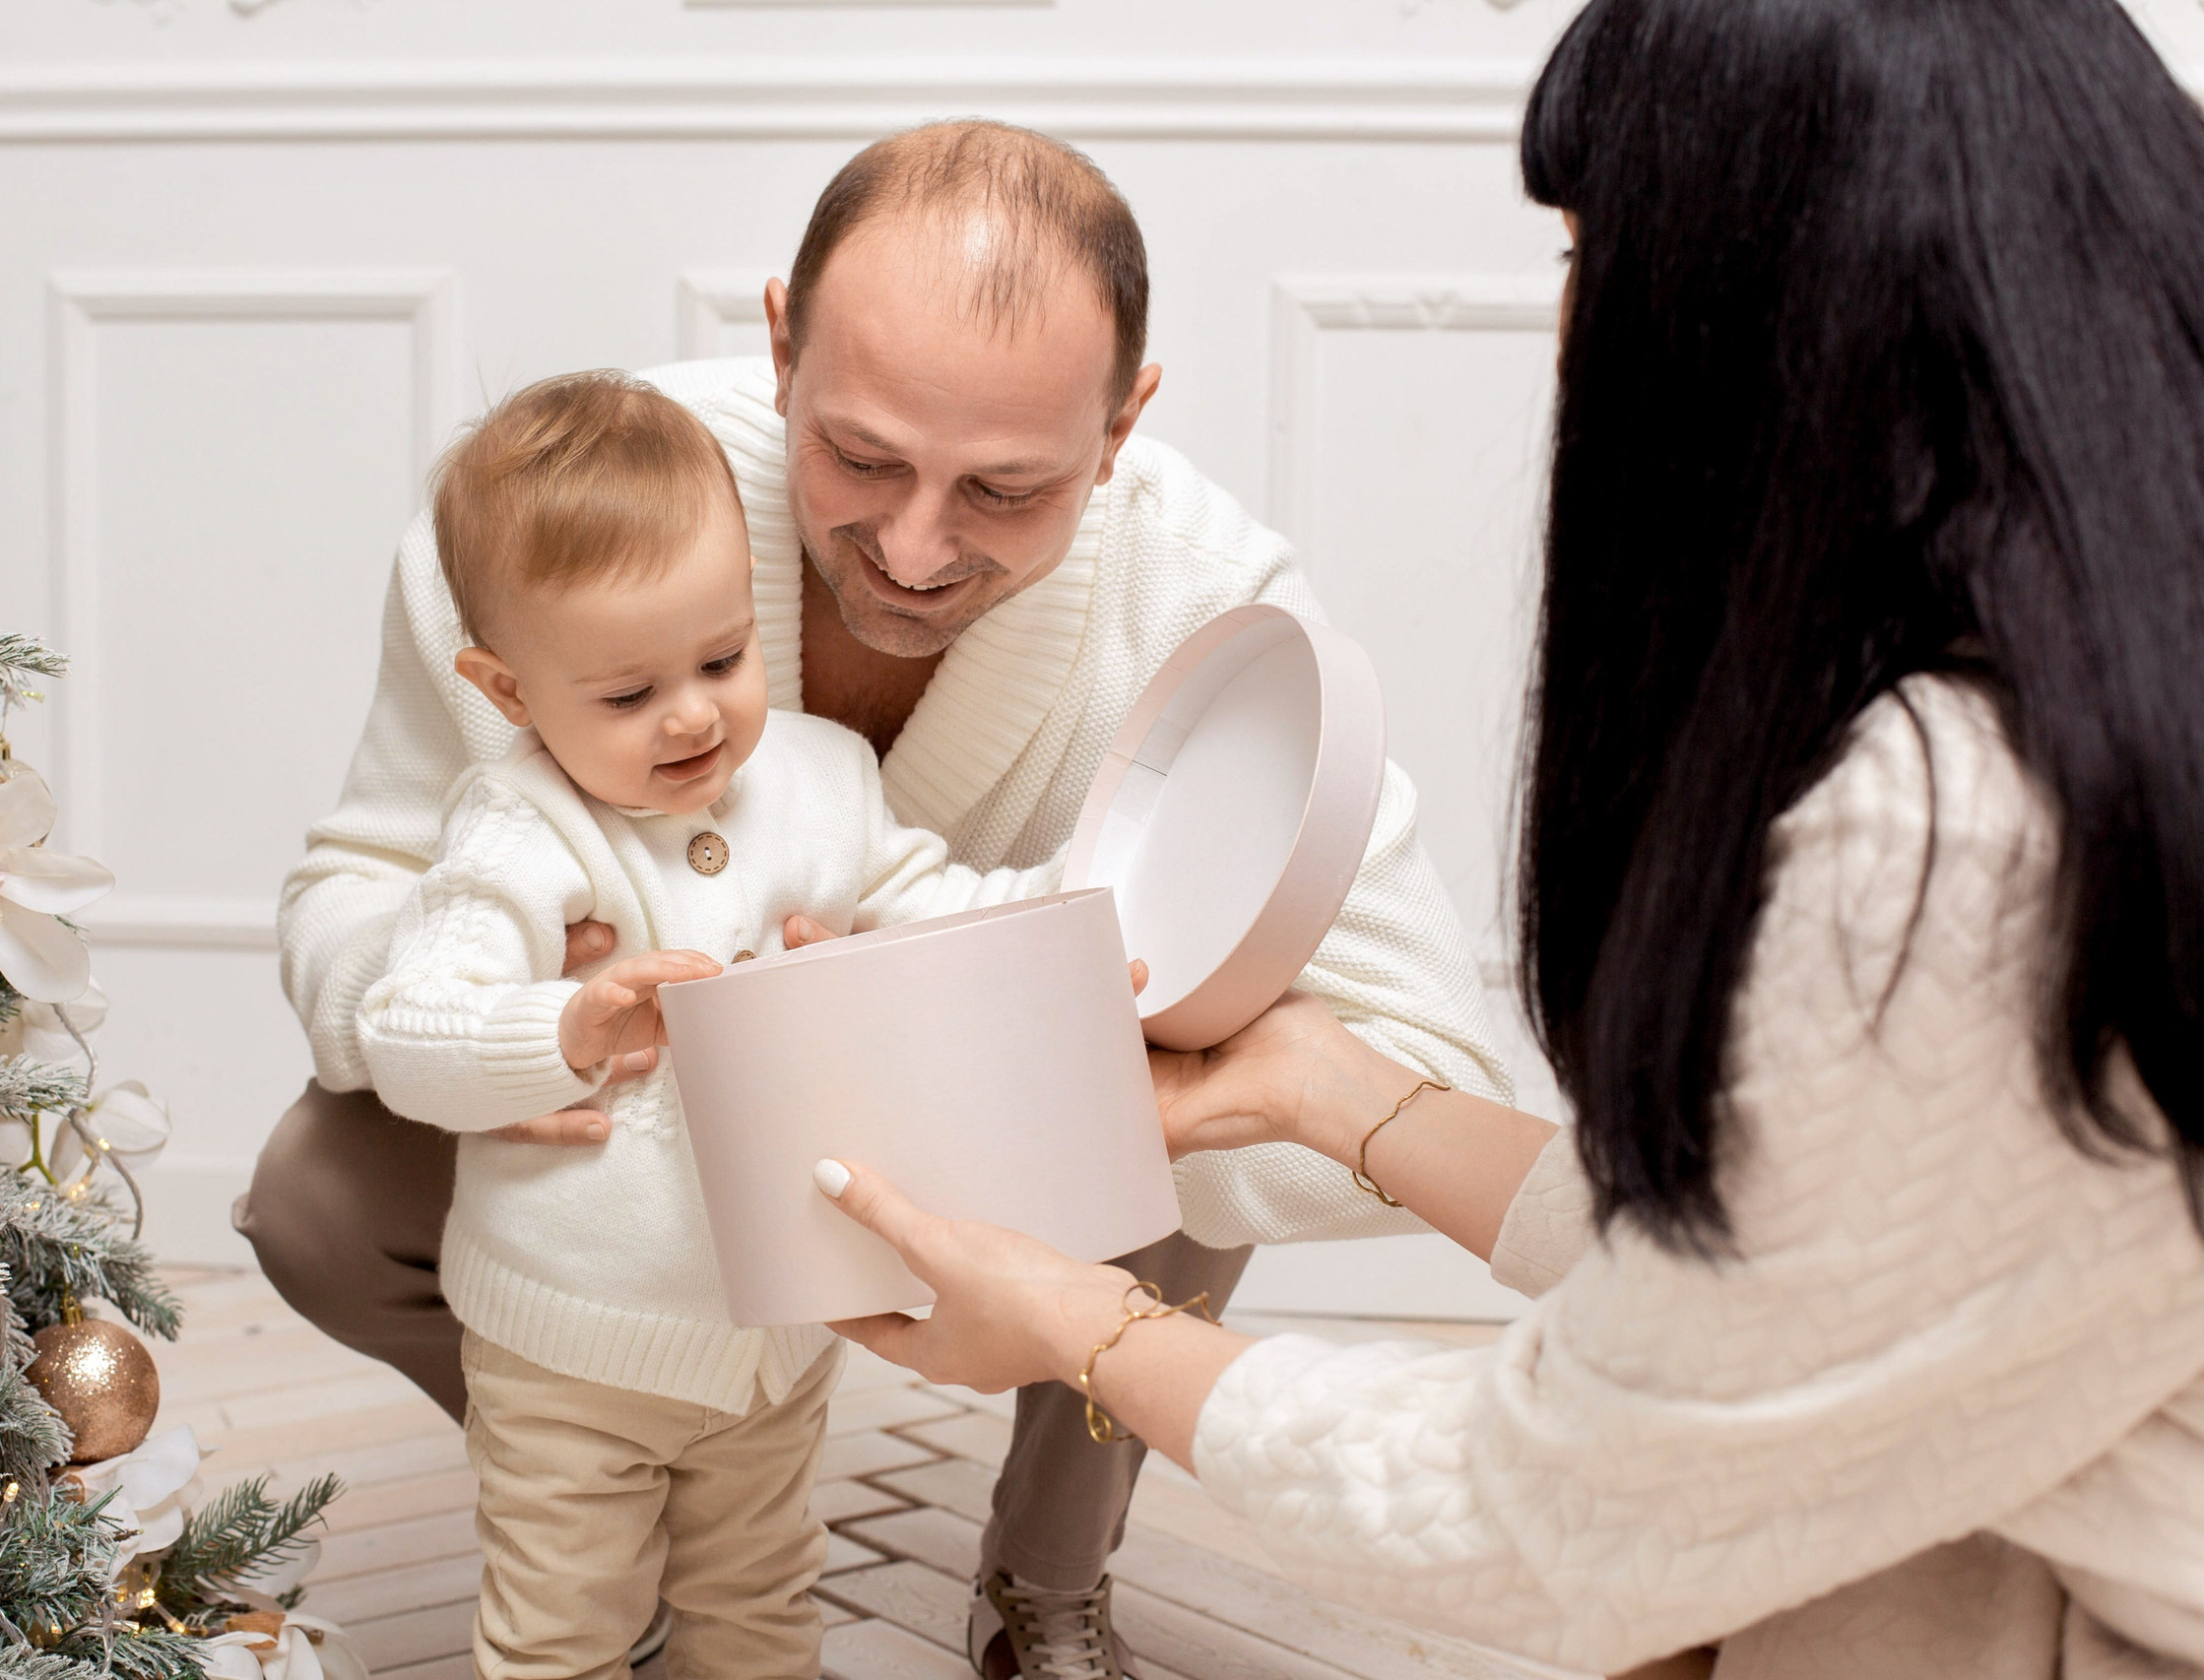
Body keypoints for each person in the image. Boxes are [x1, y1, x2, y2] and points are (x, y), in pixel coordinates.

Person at [802, 1, 2204, 1675]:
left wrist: (1063, 1317)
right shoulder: (2084, 677)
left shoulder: (1948, 840)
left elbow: (1564, 1517)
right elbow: (1774, 1281)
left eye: (1590, 257)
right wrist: (1326, 1088)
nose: (1567, 334)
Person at [240, 120, 1511, 1678]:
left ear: (1121, 430)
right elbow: (349, 895)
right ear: (780, 347)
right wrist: (520, 1028)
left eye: (1005, 488)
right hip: (623, 1172)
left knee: (1193, 1041)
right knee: (313, 1191)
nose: (914, 547)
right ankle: (606, 1466)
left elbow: (1439, 1067)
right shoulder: (549, 530)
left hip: (1012, 1145)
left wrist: (1058, 1046)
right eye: (861, 458)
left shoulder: (1212, 607)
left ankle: (1047, 1575)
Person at [359, 370, 1077, 1677]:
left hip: (779, 1330)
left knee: (759, 1610)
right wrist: (564, 1024)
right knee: (559, 1628)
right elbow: (412, 1027)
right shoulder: (519, 827)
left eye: (723, 656)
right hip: (571, 1340)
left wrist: (1072, 919)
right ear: (509, 691)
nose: (693, 714)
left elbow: (940, 903)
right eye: (627, 695)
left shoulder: (821, 778)